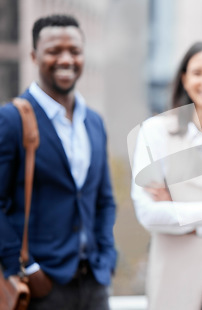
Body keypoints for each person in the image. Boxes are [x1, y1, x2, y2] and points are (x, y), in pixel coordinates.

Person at [0, 14, 117, 309]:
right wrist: (26, 267)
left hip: (94, 284)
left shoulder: (94, 122)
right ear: (34, 56)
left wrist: (107, 257)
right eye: (54, 51)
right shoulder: (12, 119)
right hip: (40, 288)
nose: (66, 59)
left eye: (74, 51)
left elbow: (103, 199)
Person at [131, 41, 202, 310]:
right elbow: (149, 214)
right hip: (174, 276)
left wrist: (180, 212)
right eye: (197, 73)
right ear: (184, 78)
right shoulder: (155, 132)